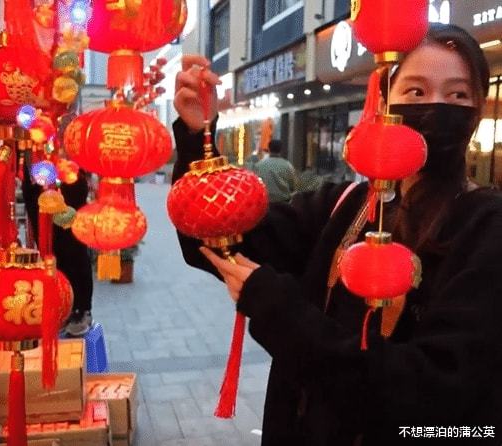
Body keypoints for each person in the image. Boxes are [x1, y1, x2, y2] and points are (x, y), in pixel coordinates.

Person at [172, 24, 502, 445]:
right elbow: (225, 240)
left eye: (457, 95)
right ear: (384, 100)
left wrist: (281, 310)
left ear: (476, 109)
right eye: (416, 92)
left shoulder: (487, 226)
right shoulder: (345, 204)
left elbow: (434, 395)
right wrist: (198, 138)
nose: (436, 107)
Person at [22, 164, 94, 337]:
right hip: (39, 172)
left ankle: (80, 308)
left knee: (73, 247)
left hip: (68, 172)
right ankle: (59, 306)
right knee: (50, 250)